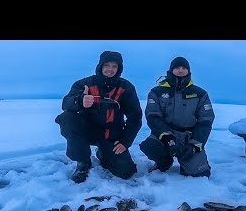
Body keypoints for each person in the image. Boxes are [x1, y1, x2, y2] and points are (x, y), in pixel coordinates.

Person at [55, 51, 143, 183]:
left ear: (119, 69)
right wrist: (80, 101)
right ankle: (83, 161)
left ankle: (103, 154)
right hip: (88, 131)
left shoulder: (126, 88)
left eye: (114, 66)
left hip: (112, 135)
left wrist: (125, 141)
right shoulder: (85, 84)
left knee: (126, 172)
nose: (110, 69)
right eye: (107, 65)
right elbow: (66, 103)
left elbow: (135, 117)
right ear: (100, 66)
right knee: (67, 118)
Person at [139, 56, 215, 178]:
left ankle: (188, 162)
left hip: (189, 137)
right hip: (166, 134)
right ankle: (165, 161)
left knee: (200, 174)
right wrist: (167, 137)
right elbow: (153, 116)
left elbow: (205, 120)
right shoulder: (157, 92)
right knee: (149, 146)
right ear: (171, 70)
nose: (180, 70)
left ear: (188, 71)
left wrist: (194, 144)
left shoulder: (200, 94)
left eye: (184, 68)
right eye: (177, 68)